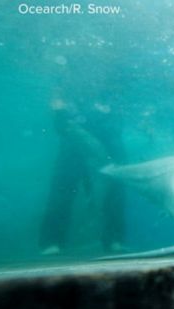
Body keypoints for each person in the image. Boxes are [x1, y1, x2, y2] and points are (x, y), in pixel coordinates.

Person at [39, 93, 126, 255]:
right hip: (75, 136)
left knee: (116, 186)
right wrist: (61, 114)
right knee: (62, 188)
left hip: (104, 135)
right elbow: (59, 115)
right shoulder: (70, 82)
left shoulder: (111, 85)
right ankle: (52, 241)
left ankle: (114, 239)